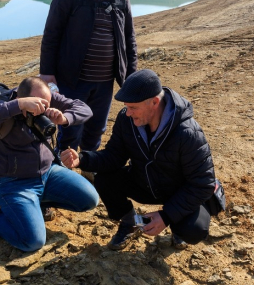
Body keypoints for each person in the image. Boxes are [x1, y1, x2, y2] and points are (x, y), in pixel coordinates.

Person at [61, 69, 217, 251]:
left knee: (193, 230)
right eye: (126, 107)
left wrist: (166, 216)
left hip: (178, 191)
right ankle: (130, 222)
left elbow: (203, 183)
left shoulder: (188, 133)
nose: (127, 113)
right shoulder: (126, 120)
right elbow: (113, 156)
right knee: (104, 178)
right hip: (144, 182)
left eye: (133, 107)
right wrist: (81, 159)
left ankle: (177, 227)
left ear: (154, 102)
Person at [0, 77, 99, 252]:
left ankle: (38, 205)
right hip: (14, 183)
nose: (42, 110)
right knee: (32, 241)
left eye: (45, 105)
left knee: (89, 199)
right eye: (38, 106)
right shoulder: (3, 103)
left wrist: (64, 118)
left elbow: (85, 109)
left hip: (48, 173)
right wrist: (19, 105)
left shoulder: (46, 97)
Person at [39, 0, 137, 158]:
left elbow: (129, 41)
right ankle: (63, 173)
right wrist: (46, 73)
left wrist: (131, 78)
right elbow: (51, 34)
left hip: (104, 83)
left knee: (95, 130)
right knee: (70, 129)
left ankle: (89, 170)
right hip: (72, 81)